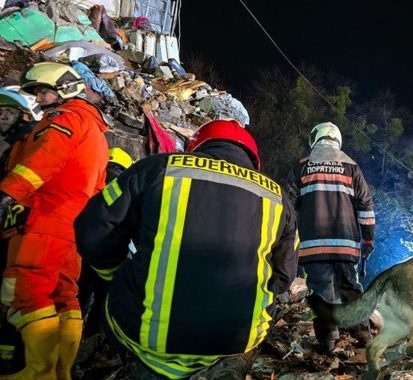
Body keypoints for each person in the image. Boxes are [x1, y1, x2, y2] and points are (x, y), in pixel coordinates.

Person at [74, 119, 298, 379]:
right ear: (253, 159)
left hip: (145, 335)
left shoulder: (158, 168)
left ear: (197, 147)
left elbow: (92, 231)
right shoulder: (279, 198)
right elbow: (284, 276)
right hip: (234, 340)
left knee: (111, 309)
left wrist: (116, 275)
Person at [0, 62, 109, 380]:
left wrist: (7, 193)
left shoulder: (66, 118)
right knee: (63, 296)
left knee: (26, 289)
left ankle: (39, 373)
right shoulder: (97, 132)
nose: (38, 100)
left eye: (44, 92)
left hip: (44, 218)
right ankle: (61, 372)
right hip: (71, 228)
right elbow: (97, 187)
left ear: (65, 89)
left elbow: (45, 159)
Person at [294, 122, 375, 354]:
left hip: (313, 247)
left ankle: (328, 342)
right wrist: (368, 240)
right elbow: (366, 208)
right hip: (347, 246)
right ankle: (363, 334)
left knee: (322, 293)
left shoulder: (302, 166)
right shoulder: (352, 168)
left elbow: (289, 205)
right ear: (337, 140)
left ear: (315, 139)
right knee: (350, 288)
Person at [0, 88, 40, 374]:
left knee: (15, 300)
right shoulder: (13, 146)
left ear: (25, 115)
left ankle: (13, 361)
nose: (2, 117)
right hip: (12, 233)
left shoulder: (31, 145)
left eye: (9, 112)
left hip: (25, 237)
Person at [77, 147, 133, 339]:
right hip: (109, 256)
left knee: (76, 295)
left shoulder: (91, 178)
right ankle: (86, 338)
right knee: (101, 301)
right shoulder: (126, 188)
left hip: (79, 249)